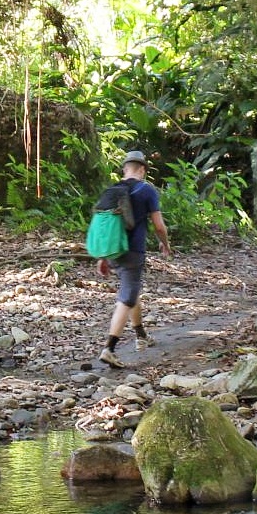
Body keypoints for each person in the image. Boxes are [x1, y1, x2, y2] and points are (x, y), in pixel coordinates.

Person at [98, 150, 171, 368]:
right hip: (132, 252)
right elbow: (159, 225)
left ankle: (141, 335)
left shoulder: (112, 190)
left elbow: (103, 225)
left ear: (124, 169)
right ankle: (109, 348)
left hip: (112, 250)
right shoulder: (147, 189)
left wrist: (102, 256)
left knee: (132, 290)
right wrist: (165, 244)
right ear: (143, 170)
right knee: (127, 298)